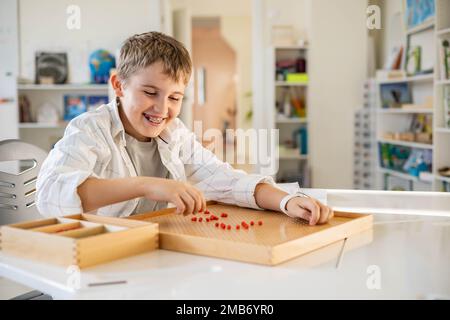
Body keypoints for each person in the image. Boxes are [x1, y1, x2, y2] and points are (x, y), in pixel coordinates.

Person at [36, 32, 333, 225]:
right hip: (95, 260)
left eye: (175, 98)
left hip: (152, 254)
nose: (162, 109)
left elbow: (226, 179)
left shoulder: (173, 133)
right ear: (118, 85)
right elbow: (50, 192)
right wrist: (148, 184)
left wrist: (286, 200)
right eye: (150, 93)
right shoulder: (89, 129)